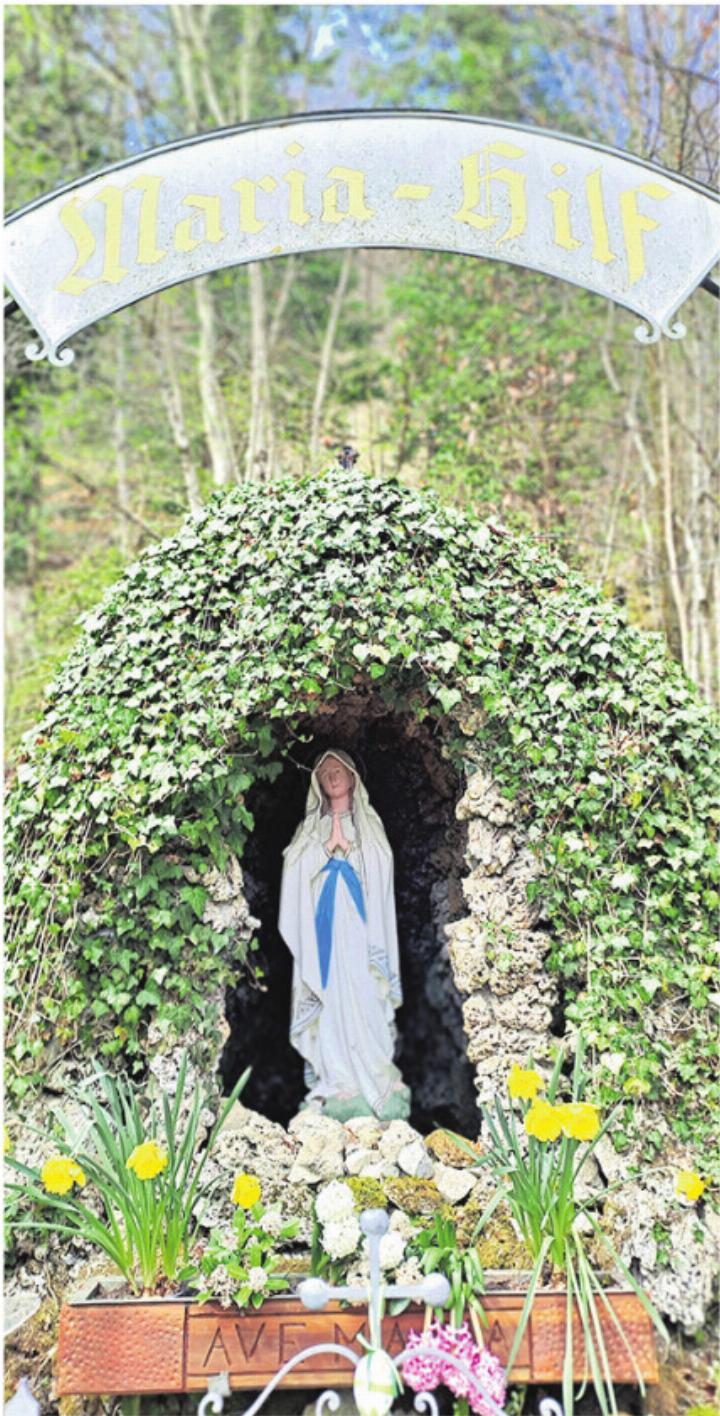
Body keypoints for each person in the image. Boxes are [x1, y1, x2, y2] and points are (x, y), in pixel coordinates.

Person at [278, 749, 411, 1122]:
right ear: (317, 782)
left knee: (366, 992)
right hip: (324, 930)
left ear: (353, 777)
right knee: (331, 996)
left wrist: (351, 853)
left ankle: (376, 1073)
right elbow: (294, 869)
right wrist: (323, 851)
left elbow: (382, 865)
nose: (332, 777)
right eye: (325, 772)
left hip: (361, 928)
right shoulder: (310, 829)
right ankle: (337, 1079)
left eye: (339, 771)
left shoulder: (368, 825)